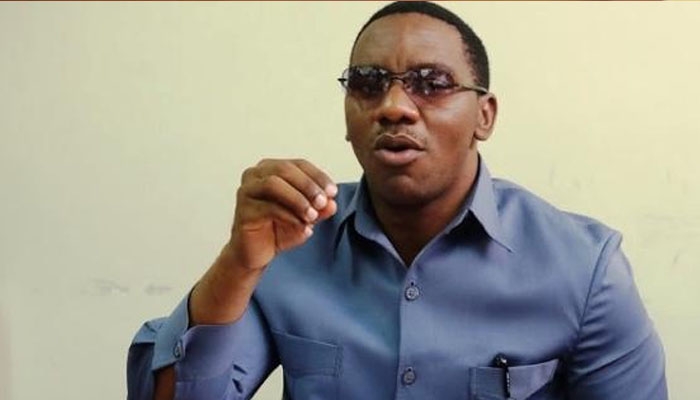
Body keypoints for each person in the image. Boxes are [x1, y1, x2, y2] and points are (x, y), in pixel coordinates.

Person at [127, 2, 667, 399]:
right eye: (367, 82)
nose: (393, 106)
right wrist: (238, 263)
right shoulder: (290, 243)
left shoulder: (584, 269)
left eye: (431, 83)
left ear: (484, 116)